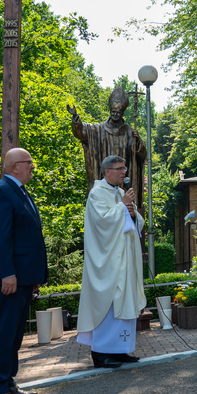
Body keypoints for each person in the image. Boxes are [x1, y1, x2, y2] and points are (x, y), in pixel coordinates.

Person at [0, 147, 48, 394]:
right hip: (8, 277)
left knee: (15, 334)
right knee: (5, 333)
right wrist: (8, 273)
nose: (32, 166)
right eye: (28, 162)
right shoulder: (0, 191)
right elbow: (0, 238)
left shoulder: (20, 190)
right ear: (14, 166)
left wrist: (33, 276)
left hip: (22, 277)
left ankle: (9, 382)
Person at [78, 155, 147, 368]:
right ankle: (100, 354)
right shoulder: (97, 194)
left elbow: (136, 224)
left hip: (124, 262)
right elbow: (102, 223)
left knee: (125, 303)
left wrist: (133, 214)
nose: (124, 172)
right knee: (108, 306)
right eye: (119, 169)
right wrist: (123, 206)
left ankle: (120, 350)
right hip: (107, 263)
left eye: (124, 168)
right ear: (107, 171)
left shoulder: (119, 193)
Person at [67, 87, 147, 204]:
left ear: (122, 113)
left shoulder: (130, 133)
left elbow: (141, 156)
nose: (115, 114)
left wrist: (137, 142)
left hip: (123, 183)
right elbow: (81, 132)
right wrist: (75, 117)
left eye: (118, 112)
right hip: (104, 181)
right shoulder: (98, 130)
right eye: (113, 112)